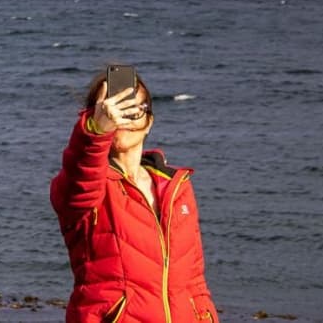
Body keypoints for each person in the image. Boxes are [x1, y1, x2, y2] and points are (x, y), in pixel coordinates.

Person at [50, 70, 219, 322]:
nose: (123, 119)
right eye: (115, 108)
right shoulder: (84, 184)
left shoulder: (176, 187)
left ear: (149, 121)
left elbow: (194, 281)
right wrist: (96, 132)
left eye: (134, 109)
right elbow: (81, 175)